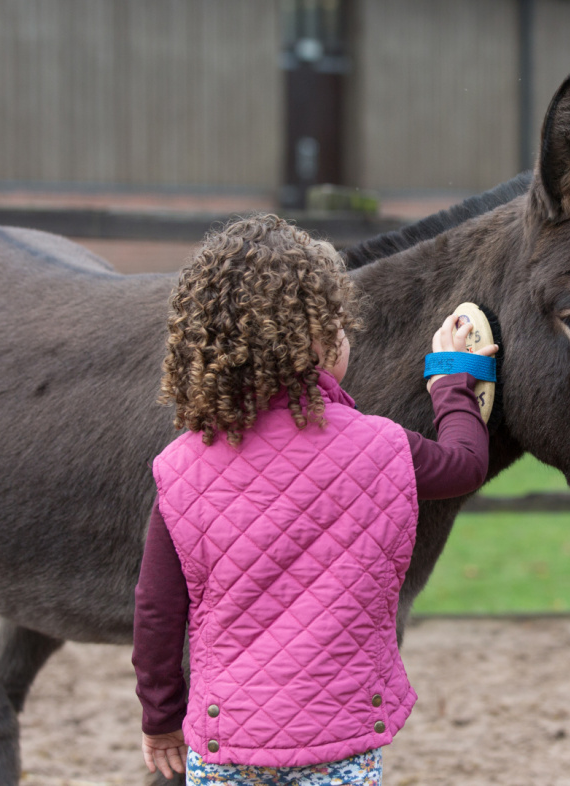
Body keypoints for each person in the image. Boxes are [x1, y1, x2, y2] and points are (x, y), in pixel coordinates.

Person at [132, 214, 496, 786]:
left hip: (228, 743)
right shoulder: (378, 445)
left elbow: (157, 610)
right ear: (321, 341)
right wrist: (452, 379)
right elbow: (466, 464)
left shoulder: (181, 467)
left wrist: (160, 720)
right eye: (341, 327)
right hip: (341, 741)